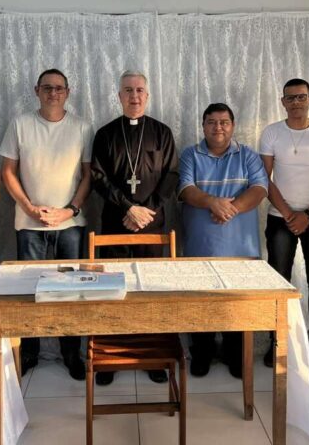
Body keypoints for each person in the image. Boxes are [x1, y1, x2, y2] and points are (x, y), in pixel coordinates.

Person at [0, 69, 93, 381]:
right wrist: (28, 207)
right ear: (36, 90)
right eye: (47, 88)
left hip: (70, 224)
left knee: (70, 292)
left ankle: (71, 353)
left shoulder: (82, 127)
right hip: (30, 224)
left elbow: (88, 175)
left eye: (59, 88)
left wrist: (70, 210)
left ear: (68, 92)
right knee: (31, 290)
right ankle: (30, 352)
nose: (53, 93)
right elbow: (8, 171)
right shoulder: (20, 124)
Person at [91, 70, 178, 385]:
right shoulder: (105, 134)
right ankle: (111, 355)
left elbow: (171, 175)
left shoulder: (162, 132)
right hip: (116, 222)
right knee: (113, 289)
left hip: (151, 224)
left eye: (139, 90)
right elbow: (98, 177)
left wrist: (145, 212)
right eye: (128, 90)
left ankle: (152, 355)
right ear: (119, 96)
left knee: (150, 289)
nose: (134, 95)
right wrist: (128, 208)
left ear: (147, 95)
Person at [179, 103, 268, 378]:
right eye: (212, 122)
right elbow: (186, 189)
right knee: (200, 302)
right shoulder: (190, 154)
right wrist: (212, 202)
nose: (218, 127)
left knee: (237, 303)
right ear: (203, 125)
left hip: (241, 248)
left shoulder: (248, 155)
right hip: (200, 245)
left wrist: (230, 208)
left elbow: (260, 188)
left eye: (224, 122)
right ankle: (202, 353)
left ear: (233, 125)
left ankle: (235, 354)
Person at [259, 78, 309, 372]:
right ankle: (277, 342)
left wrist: (308, 214)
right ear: (283, 102)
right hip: (280, 218)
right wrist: (290, 214)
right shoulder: (272, 133)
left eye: (301, 97)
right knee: (279, 282)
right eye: (290, 98)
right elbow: (264, 179)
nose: (296, 102)